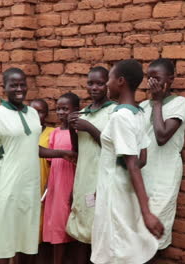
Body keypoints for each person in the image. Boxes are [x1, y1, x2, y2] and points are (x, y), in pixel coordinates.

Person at [0, 68, 75, 264]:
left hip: (29, 187)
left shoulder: (32, 113)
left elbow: (32, 148)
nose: (19, 88)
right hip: (6, 185)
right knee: (3, 237)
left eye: (22, 84)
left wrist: (61, 153)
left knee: (26, 237)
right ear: (3, 86)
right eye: (13, 85)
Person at [90, 59, 164, 264]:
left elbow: (133, 164)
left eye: (110, 79)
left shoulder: (120, 117)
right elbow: (143, 159)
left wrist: (147, 212)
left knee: (115, 251)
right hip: (120, 189)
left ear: (121, 81)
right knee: (125, 246)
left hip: (116, 193)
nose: (106, 85)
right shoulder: (138, 112)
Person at [65, 66, 116, 263]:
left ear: (108, 85)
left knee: (100, 229)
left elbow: (114, 147)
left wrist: (90, 128)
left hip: (102, 181)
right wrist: (72, 128)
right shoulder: (83, 113)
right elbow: (78, 149)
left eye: (100, 83)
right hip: (83, 180)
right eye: (90, 83)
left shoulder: (114, 111)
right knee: (81, 231)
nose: (94, 87)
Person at [139, 58, 185, 250]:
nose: (153, 83)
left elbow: (162, 136)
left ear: (171, 79)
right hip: (142, 175)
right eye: (149, 78)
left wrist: (158, 102)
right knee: (138, 231)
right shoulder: (143, 106)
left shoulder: (180, 103)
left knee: (154, 234)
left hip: (164, 176)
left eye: (157, 78)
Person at [43, 92, 79, 264]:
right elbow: (51, 162)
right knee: (57, 224)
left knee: (72, 224)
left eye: (65, 109)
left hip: (71, 183)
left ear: (76, 111)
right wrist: (48, 187)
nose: (61, 113)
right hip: (56, 185)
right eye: (58, 109)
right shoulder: (55, 133)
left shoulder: (79, 132)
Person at [30, 98, 55, 242]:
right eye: (33, 112)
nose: (36, 115)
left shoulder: (52, 133)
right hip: (27, 184)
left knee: (43, 221)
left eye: (40, 112)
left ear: (46, 115)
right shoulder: (23, 133)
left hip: (44, 183)